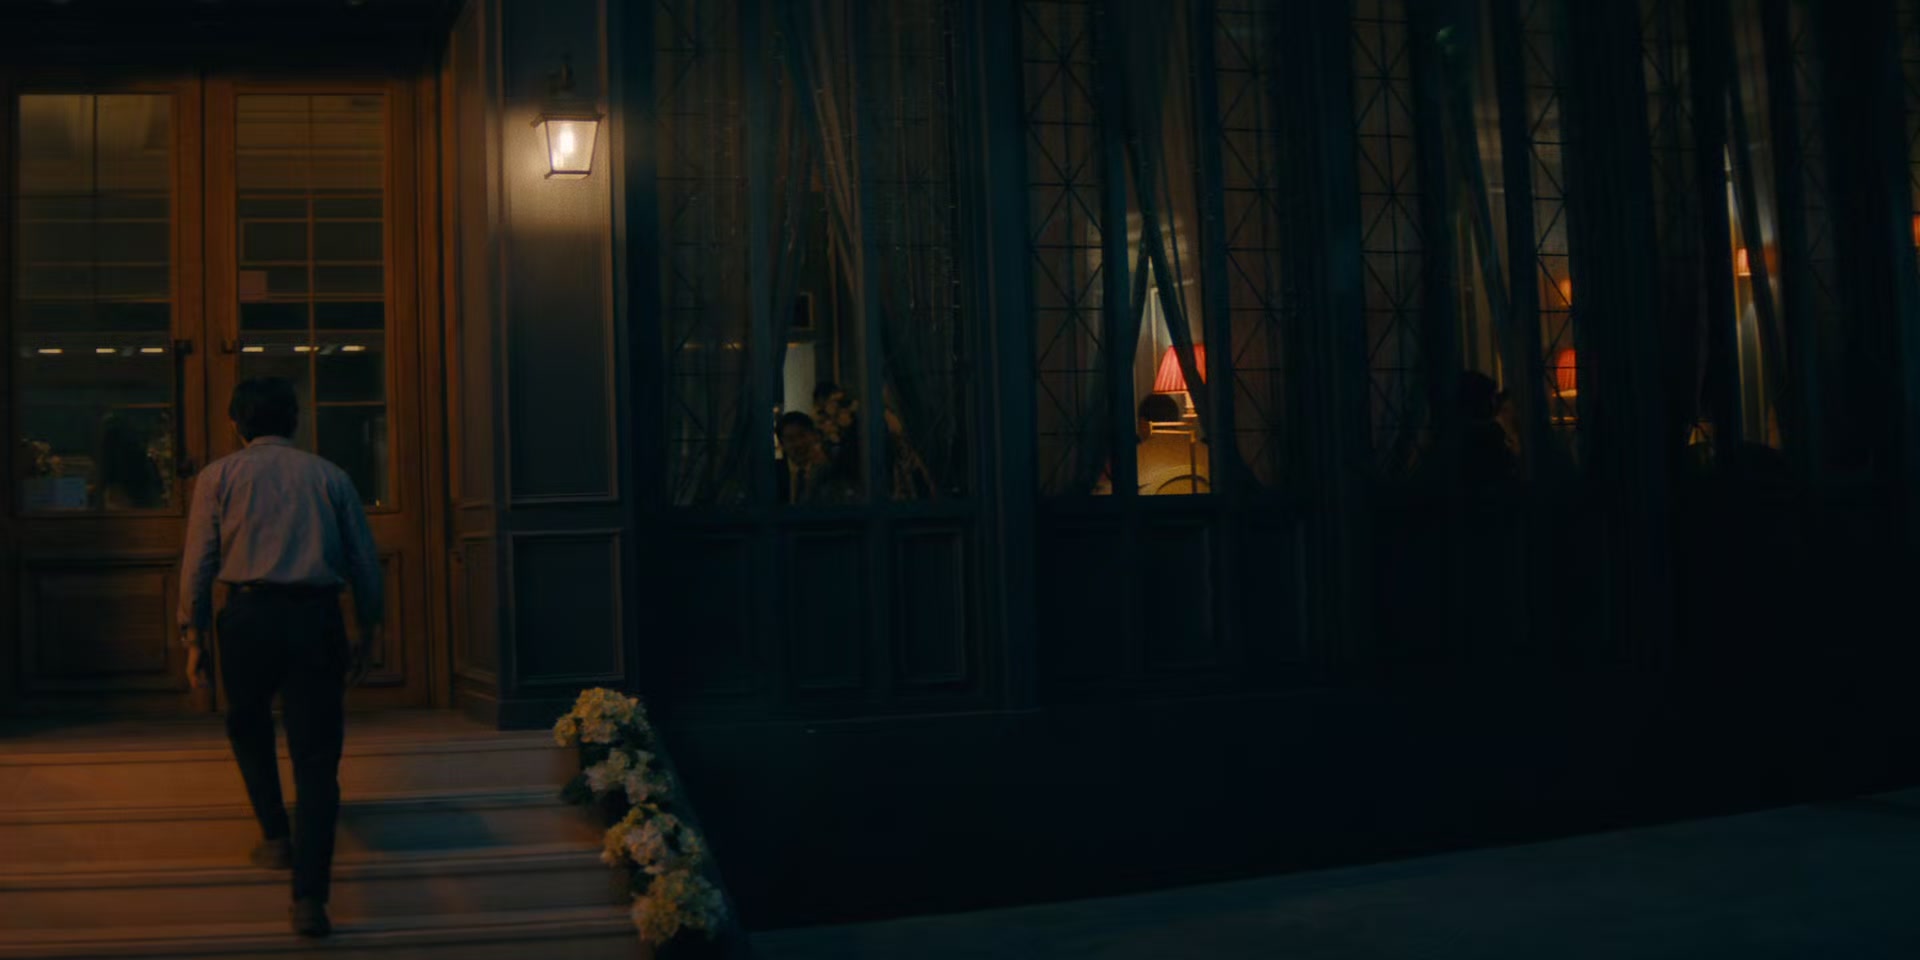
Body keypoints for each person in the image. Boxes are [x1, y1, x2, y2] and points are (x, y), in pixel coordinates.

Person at [176, 377, 383, 939]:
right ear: (296, 420)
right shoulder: (330, 476)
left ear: (235, 424)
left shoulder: (218, 476)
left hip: (248, 616)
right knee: (317, 759)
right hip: (316, 616)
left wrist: (194, 637)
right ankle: (310, 899)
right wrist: (369, 626)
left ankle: (274, 836)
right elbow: (364, 562)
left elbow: (199, 562)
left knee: (247, 726)